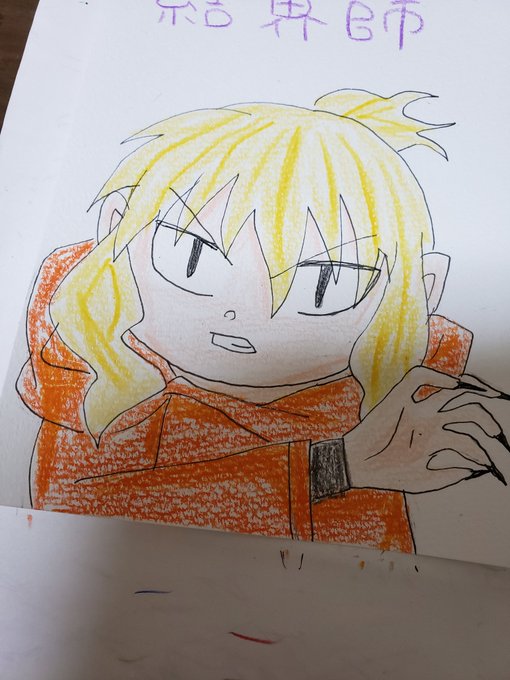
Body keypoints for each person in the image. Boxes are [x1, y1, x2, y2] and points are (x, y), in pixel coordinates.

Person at [17, 89, 508, 553]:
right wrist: (335, 466)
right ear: (116, 227)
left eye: (323, 285)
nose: (244, 312)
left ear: (421, 288)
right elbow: (76, 512)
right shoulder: (97, 364)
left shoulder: (398, 383)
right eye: (192, 257)